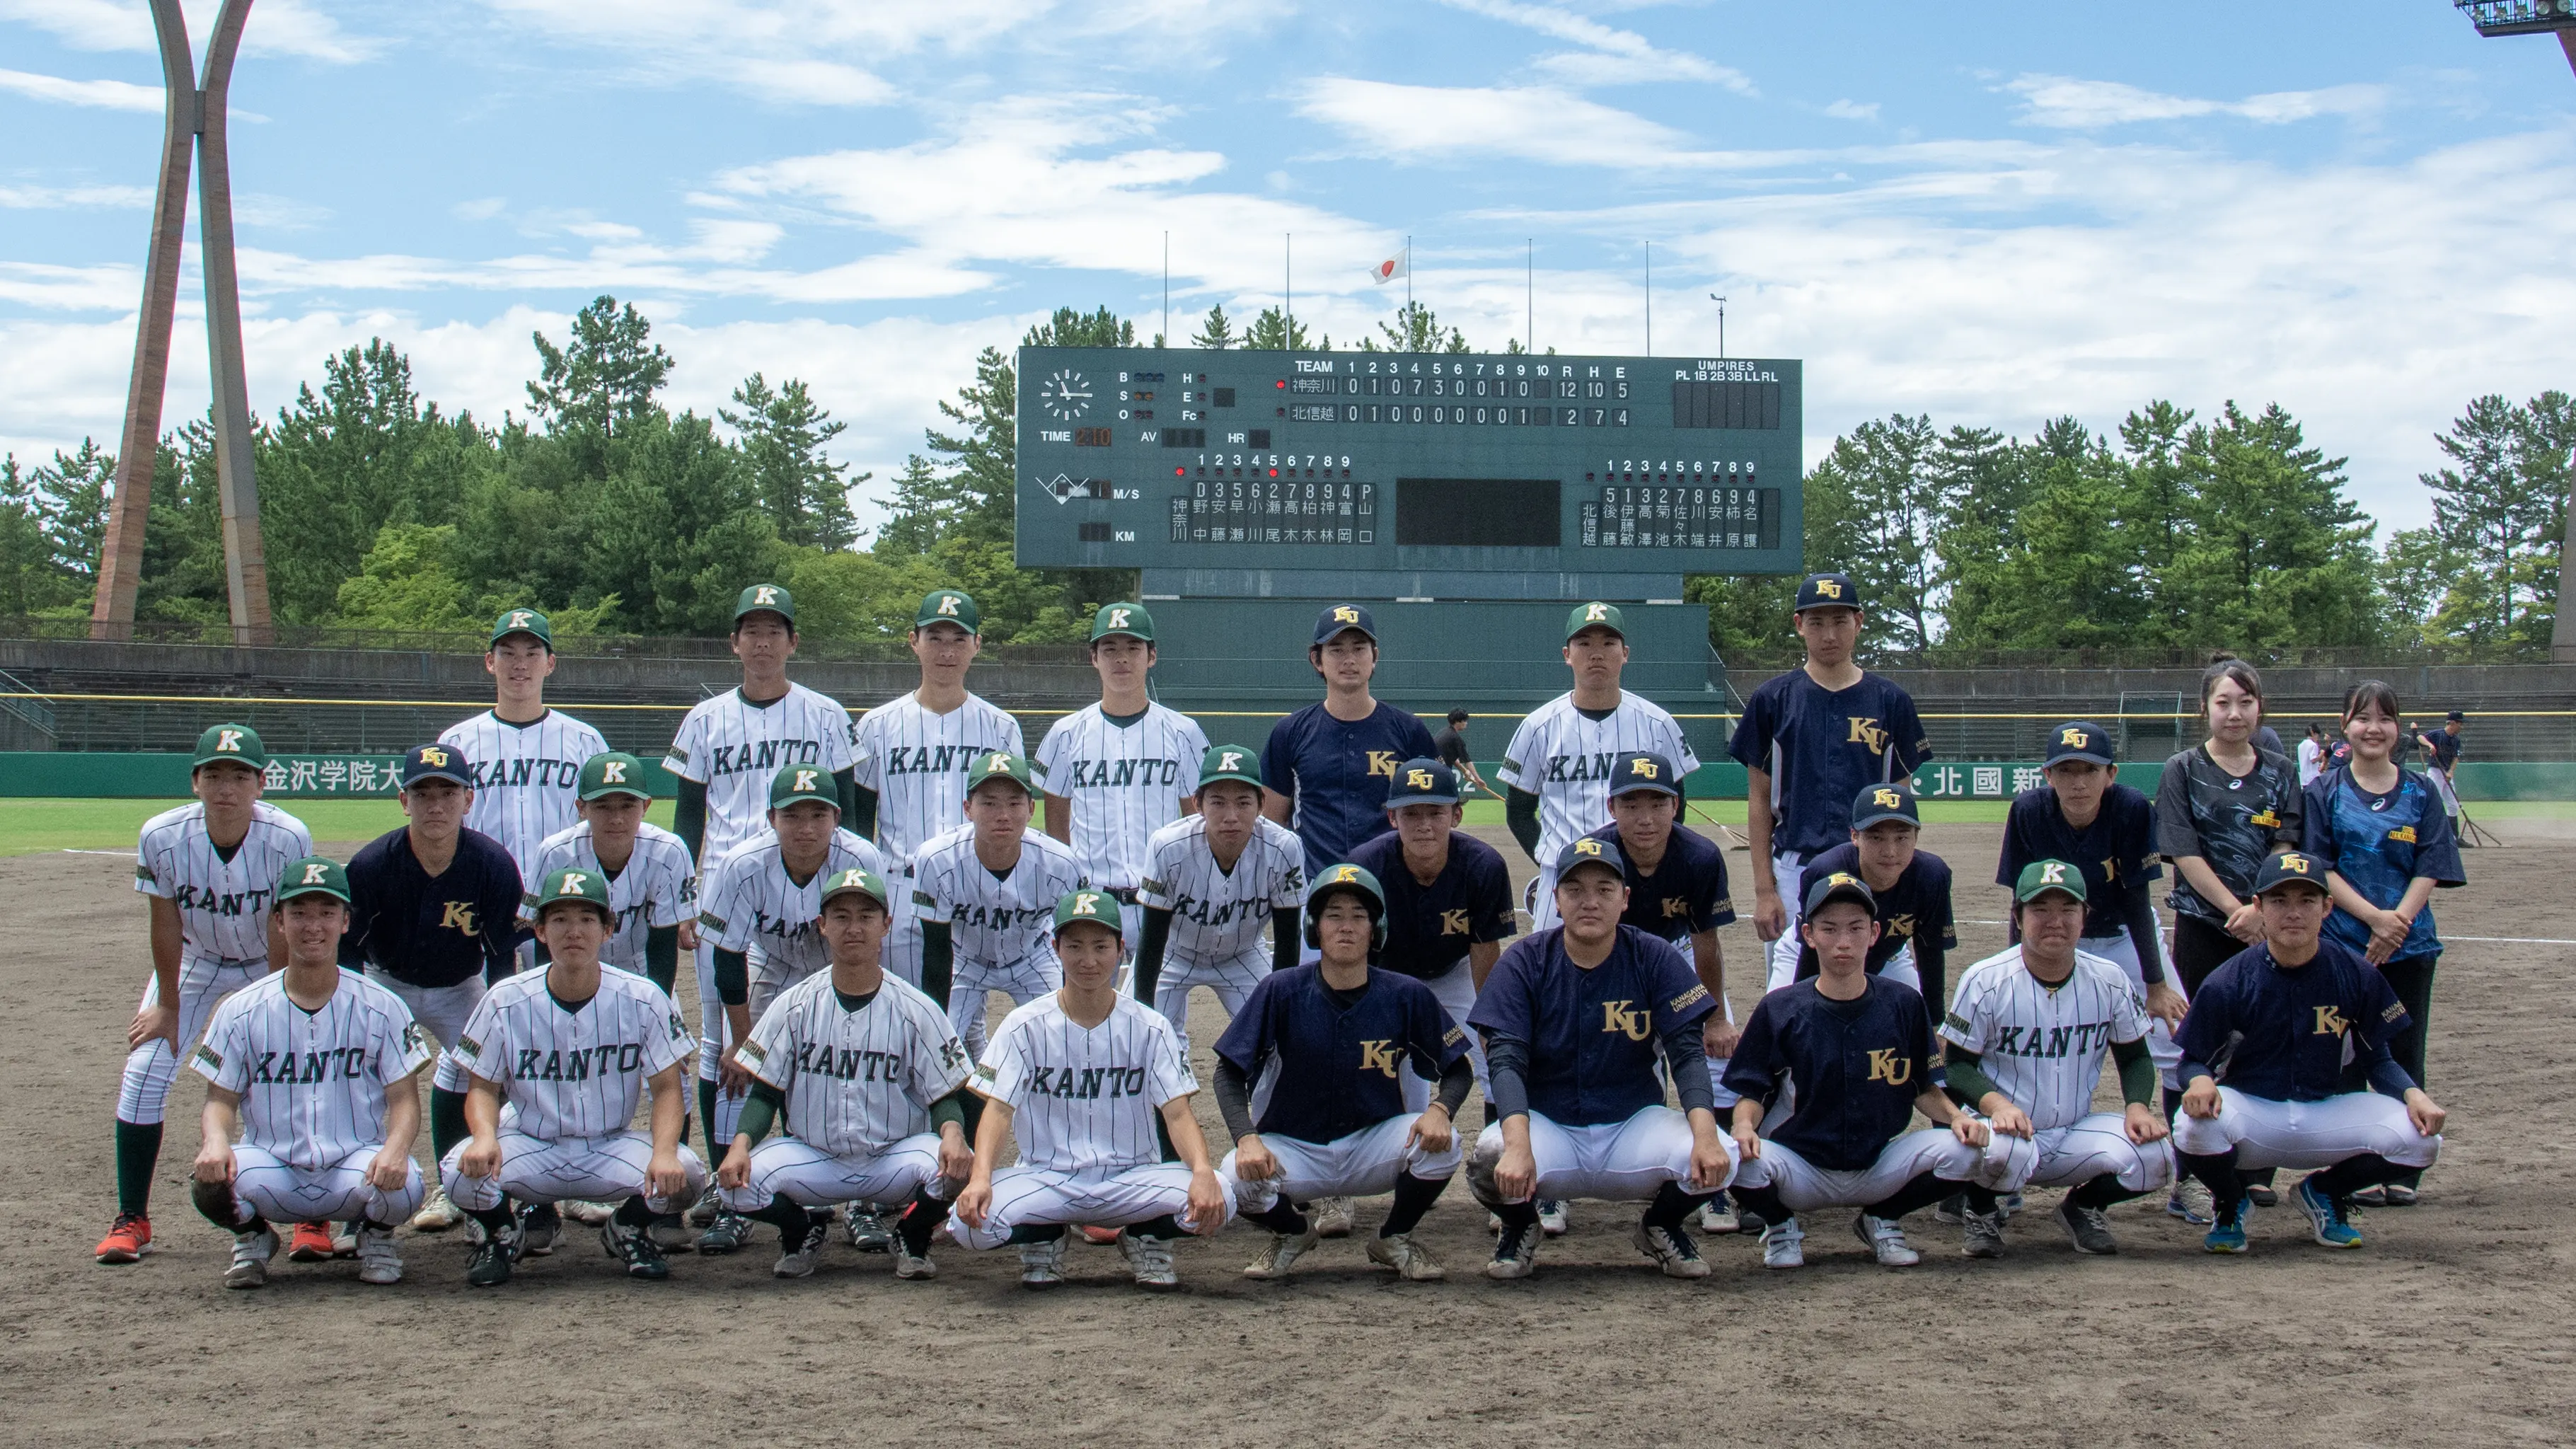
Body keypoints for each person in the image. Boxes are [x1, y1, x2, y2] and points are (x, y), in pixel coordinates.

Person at [663, 582, 858, 1212]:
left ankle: (820, 1165)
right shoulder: (705, 718)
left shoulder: (826, 714)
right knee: (723, 1040)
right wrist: (683, 898)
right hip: (730, 892)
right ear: (735, 642)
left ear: (793, 642)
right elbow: (688, 818)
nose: (763, 640)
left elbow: (849, 816)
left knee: (825, 1032)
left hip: (817, 889)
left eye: (775, 629)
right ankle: (725, 1182)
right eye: (752, 629)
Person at [1722, 872, 2024, 1270]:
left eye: (1855, 928)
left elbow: (1923, 1088)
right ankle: (1780, 1224)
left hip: (1881, 1164)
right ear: (1809, 935)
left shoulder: (1904, 1004)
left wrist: (1955, 1118)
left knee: (1976, 1149)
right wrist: (1743, 1127)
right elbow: (1753, 1091)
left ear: (1875, 932)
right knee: (1729, 1156)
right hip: (1800, 1169)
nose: (1843, 941)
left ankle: (1882, 1217)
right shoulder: (1781, 1008)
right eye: (1829, 929)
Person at [1467, 837, 1737, 1281]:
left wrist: (1705, 1134)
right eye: (1575, 890)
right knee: (1486, 1158)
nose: (1589, 902)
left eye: (1604, 890)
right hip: (1548, 1127)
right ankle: (1521, 1226)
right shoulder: (1525, 961)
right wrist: (1518, 1145)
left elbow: (1687, 1055)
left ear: (1625, 898)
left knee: (1723, 1152)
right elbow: (1505, 1060)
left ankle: (1660, 1225)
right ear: (1555, 898)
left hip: (1634, 1127)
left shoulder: (1654, 955)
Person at [97, 723, 312, 1266]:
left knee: (296, 1068)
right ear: (195, 782)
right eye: (213, 774)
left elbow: (279, 923)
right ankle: (132, 1218)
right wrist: (167, 1004)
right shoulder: (162, 835)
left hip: (266, 964)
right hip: (195, 963)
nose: (226, 788)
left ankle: (314, 1217)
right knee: (144, 1070)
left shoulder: (287, 837)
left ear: (261, 784)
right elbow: (164, 923)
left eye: (239, 776)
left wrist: (277, 1003)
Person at [948, 890, 1233, 1290]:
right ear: (1056, 949)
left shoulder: (1151, 1026)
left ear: (1120, 949)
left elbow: (1177, 1112)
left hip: (1134, 1177)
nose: (1089, 960)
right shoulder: (1022, 1024)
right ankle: (1046, 1235)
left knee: (1224, 1195)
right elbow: (998, 1112)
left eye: (1101, 947)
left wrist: (1202, 1171)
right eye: (1075, 947)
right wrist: (981, 1178)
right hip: (1047, 1177)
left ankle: (1144, 1236)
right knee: (969, 1227)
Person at [2171, 852, 2449, 1252]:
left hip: (2325, 1113)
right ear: (2259, 908)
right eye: (2280, 901)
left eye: (2307, 901)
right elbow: (2192, 1059)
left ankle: (2324, 1191)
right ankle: (2231, 1203)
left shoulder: (2355, 973)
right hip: (2253, 1114)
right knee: (2191, 1126)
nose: (2293, 913)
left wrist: (2413, 1094)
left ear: (2327, 907)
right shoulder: (2229, 981)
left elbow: (2378, 1059)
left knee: (2423, 1140)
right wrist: (2199, 1080)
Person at [441, 867, 705, 1286]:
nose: (574, 931)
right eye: (560, 920)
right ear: (541, 931)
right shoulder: (504, 1000)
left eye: (586, 919)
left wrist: (665, 1150)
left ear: (607, 930)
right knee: (458, 1170)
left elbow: (668, 1088)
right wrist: (485, 1137)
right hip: (530, 1145)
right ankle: (501, 1234)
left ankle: (628, 1228)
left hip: (609, 1148)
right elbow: (482, 1088)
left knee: (687, 1172)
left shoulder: (643, 998)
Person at [1213, 865, 1472, 1281]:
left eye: (1359, 916)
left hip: (1375, 1143)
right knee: (1232, 1177)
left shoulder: (1407, 995)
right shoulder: (1280, 990)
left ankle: (1394, 1236)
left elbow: (1459, 1067)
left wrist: (1441, 1109)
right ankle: (1294, 1233)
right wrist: (1246, 1139)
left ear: (1376, 930)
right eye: (1334, 915)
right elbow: (1227, 1072)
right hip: (1294, 1149)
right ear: (1315, 929)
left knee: (1446, 1144)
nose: (1346, 927)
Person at [715, 867, 977, 1280]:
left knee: (962, 1168)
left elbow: (944, 1095)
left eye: (866, 916)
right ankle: (800, 1231)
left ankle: (911, 1233)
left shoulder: (916, 1008)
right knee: (732, 1186)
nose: (853, 927)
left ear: (886, 925)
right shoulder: (794, 1004)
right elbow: (765, 1094)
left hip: (893, 1159)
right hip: (814, 1159)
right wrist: (741, 1144)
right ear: (822, 926)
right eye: (840, 917)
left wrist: (953, 1135)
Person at [187, 858, 430, 1288]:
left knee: (407, 1182)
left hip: (354, 1167)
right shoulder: (241, 1010)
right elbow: (220, 1100)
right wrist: (216, 1141)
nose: (312, 925)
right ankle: (253, 1238)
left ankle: (375, 1236)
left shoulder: (381, 1005)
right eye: (299, 913)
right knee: (209, 1180)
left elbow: (404, 1100)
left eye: (326, 913)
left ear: (345, 922)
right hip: (272, 1167)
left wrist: (394, 1149)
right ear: (279, 921)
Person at [692, 762, 889, 1251]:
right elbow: (728, 957)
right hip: (770, 962)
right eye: (792, 815)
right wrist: (742, 1042)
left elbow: (869, 936)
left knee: (860, 1059)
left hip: (838, 961)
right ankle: (730, 1194)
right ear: (770, 818)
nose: (805, 828)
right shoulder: (742, 863)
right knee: (734, 1067)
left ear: (837, 817)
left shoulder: (860, 857)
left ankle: (863, 1202)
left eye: (817, 815)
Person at [1938, 861, 2173, 1257]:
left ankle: (2083, 1207)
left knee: (2158, 1156)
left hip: (2075, 1132)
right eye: (2040, 910)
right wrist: (1996, 1105)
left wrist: (2137, 1108)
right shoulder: (1986, 979)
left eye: (2068, 910)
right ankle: (1980, 1211)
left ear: (2085, 917)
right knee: (2003, 1150)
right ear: (2018, 916)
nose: (2055, 921)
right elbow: (1956, 1066)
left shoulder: (2109, 978)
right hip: (2005, 1131)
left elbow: (2135, 1057)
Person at [341, 742, 524, 1236]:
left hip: (459, 986)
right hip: (386, 984)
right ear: (404, 801)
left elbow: (501, 960)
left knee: (493, 1070)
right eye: (423, 794)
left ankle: (475, 1187)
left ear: (468, 799)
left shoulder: (492, 865)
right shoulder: (372, 866)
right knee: (352, 1078)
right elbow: (348, 955)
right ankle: (357, 1198)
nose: (436, 805)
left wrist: (496, 1026)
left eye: (449, 792)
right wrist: (354, 1019)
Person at [2301, 680, 2465, 1206]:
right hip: (2343, 947)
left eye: (2384, 718)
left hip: (2409, 948)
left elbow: (2431, 865)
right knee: (2345, 1059)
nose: (2373, 728)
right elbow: (2317, 869)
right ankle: (2350, 1169)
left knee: (2403, 1051)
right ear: (2344, 725)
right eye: (2362, 717)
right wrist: (2373, 918)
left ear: (2397, 729)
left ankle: (2402, 1169)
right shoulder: (2323, 792)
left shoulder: (2419, 792)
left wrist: (2395, 924)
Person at [1728, 572, 1933, 985]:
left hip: (1873, 869)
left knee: (1884, 993)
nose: (1829, 633)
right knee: (1793, 996)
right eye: (1817, 621)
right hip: (1795, 868)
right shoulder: (1773, 699)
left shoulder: (1891, 701)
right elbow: (1759, 798)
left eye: (1840, 621)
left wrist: (1901, 891)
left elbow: (1900, 811)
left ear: (1859, 622)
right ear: (1799, 624)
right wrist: (1764, 891)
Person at [1566, 752, 1739, 1231]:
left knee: (1713, 1057)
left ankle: (1714, 1184)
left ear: (1676, 806)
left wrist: (1714, 1017)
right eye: (1631, 803)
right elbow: (1573, 931)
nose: (1645, 817)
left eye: (1657, 803)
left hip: (1674, 953)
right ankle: (1550, 1189)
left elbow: (1707, 943)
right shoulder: (1594, 852)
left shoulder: (1699, 857)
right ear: (1611, 807)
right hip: (1606, 957)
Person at [850, 589, 1026, 988]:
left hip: (975, 889)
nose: (947, 651)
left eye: (959, 639)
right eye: (935, 638)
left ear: (977, 645)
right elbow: (860, 824)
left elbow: (1016, 815)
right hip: (902, 886)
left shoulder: (1000, 727)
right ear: (914, 642)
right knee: (907, 1010)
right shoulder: (877, 726)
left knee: (967, 1017)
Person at [1498, 601, 1700, 932]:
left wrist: (1652, 863)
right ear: (1567, 654)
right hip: (1562, 878)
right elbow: (1518, 811)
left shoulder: (1657, 724)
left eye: (1608, 643)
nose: (1597, 654)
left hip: (1635, 878)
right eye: (1585, 643)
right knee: (1555, 977)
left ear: (1625, 654)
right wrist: (1553, 861)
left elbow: (1675, 806)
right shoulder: (1538, 726)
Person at [438, 607, 610, 964]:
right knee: (488, 1007)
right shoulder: (457, 740)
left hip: (562, 895)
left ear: (550, 663)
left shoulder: (584, 740)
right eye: (509, 654)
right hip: (482, 893)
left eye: (533, 654)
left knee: (556, 1002)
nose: (521, 664)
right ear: (490, 661)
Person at [1035, 602, 1207, 957]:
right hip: (1093, 901)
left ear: (1152, 656)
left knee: (1157, 1009)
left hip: (1162, 898)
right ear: (1093, 658)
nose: (1121, 659)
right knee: (1088, 1008)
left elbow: (1196, 821)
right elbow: (1056, 824)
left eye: (1133, 648)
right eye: (1110, 649)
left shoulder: (1183, 731)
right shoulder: (1065, 733)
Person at [915, 751, 1089, 1061]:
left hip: (1032, 956)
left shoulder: (1061, 863)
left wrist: (1071, 1007)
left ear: (1032, 808)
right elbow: (936, 952)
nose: (1003, 814)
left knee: (1065, 1041)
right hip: (963, 959)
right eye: (990, 803)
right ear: (968, 808)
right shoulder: (936, 860)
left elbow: (1074, 939)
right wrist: (938, 1027)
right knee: (935, 1052)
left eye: (1014, 802)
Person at [1134, 746, 1308, 1050]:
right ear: (1198, 804)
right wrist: (1143, 1017)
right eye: (1218, 802)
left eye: (1243, 802)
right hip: (1174, 953)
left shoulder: (1284, 848)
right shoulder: (1167, 847)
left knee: (1278, 1043)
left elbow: (1287, 940)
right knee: (1139, 1037)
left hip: (1243, 954)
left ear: (1261, 804)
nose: (1231, 816)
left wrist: (1281, 1014)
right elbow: (1151, 941)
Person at [1260, 604, 1439, 883]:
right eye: (1336, 650)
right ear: (1316, 659)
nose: (1349, 659)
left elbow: (1433, 815)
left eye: (1359, 648)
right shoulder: (1290, 732)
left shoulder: (1409, 730)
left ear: (1374, 657)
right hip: (1316, 887)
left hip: (1394, 886)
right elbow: (1272, 825)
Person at [519, 752, 698, 995]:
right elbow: (545, 941)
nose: (616, 818)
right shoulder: (556, 854)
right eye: (603, 806)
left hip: (641, 975)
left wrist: (657, 1005)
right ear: (582, 808)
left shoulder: (669, 852)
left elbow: (663, 947)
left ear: (645, 806)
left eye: (627, 805)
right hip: (570, 975)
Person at [1788, 783, 1956, 1010]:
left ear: (1916, 837)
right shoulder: (1825, 872)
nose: (1890, 851)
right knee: (1788, 1016)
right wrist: (1803, 1010)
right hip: (1815, 949)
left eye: (1901, 838)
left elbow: (1930, 951)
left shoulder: (1932, 876)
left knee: (1911, 1020)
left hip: (1889, 956)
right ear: (1855, 836)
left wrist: (1934, 1022)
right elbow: (1812, 954)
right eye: (1876, 838)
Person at [2417, 710, 2466, 824]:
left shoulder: (2456, 740)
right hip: (2435, 771)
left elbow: (2456, 757)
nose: (2461, 726)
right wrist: (2430, 745)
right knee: (2433, 803)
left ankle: (2454, 837)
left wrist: (2450, 772)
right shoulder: (2437, 734)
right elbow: (2420, 738)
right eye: (2460, 723)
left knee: (2453, 805)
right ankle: (2427, 831)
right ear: (2452, 723)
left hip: (2447, 773)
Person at [1433, 708, 1492, 798]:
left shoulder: (1445, 732)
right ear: (1457, 722)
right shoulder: (1455, 738)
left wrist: (1465, 771)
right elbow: (1468, 761)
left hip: (1432, 768)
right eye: (1464, 721)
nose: (1466, 723)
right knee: (1450, 796)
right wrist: (1478, 779)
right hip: (1439, 771)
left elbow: (1453, 759)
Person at [2298, 723, 2327, 789]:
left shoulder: (2300, 745)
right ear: (2315, 734)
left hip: (2303, 779)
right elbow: (2313, 760)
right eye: (2318, 735)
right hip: (2312, 779)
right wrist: (2322, 753)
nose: (2318, 738)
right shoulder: (2313, 745)